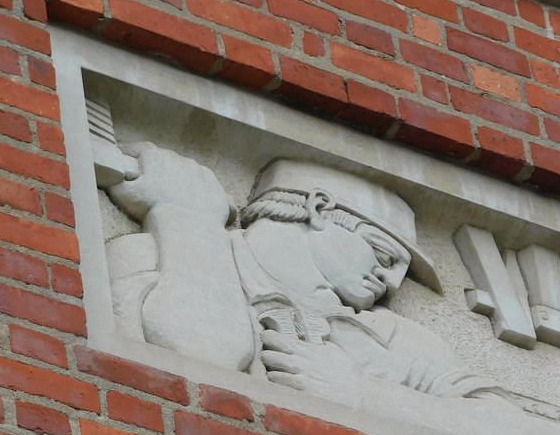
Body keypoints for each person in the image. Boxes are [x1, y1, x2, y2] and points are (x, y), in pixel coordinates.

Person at [102, 143, 504, 404]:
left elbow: (514, 433)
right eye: (383, 255)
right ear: (319, 209)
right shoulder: (158, 253)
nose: (393, 284)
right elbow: (200, 356)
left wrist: (361, 392)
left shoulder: (393, 335)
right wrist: (187, 218)